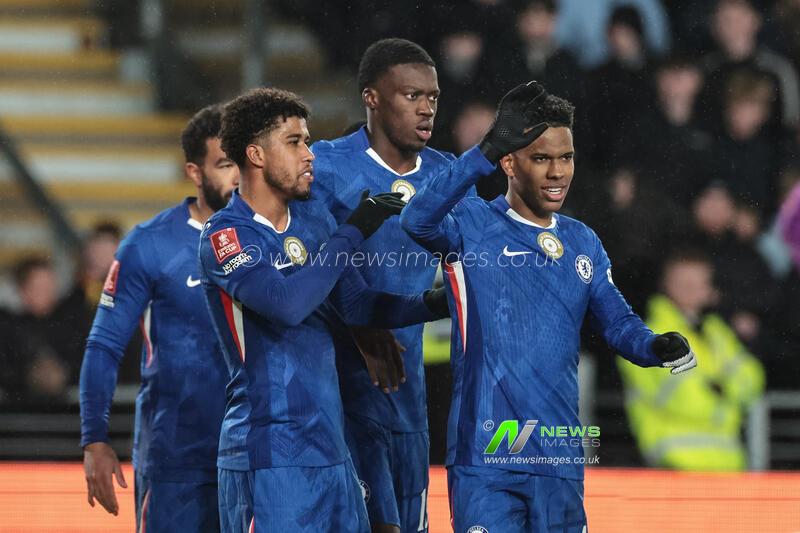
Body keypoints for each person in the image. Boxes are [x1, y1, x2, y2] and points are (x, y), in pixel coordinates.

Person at [400, 82, 697, 531]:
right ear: (509, 162)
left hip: (557, 454)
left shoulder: (583, 242)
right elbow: (416, 218)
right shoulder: (472, 224)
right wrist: (482, 149)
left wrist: (654, 347)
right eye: (541, 158)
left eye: (566, 157)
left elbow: (617, 321)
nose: (558, 172)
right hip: (486, 456)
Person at [202, 87, 449, 533]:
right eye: (295, 142)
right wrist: (352, 231)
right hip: (267, 451)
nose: (309, 154)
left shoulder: (314, 221)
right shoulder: (227, 236)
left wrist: (442, 301)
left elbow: (358, 304)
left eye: (309, 141)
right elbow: (286, 304)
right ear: (256, 155)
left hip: (333, 451)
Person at [310, 38, 457, 533]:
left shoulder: (445, 174)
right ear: (371, 98)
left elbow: (477, 258)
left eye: (432, 98)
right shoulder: (325, 165)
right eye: (411, 95)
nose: (426, 109)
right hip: (340, 397)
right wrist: (357, 324)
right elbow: (294, 254)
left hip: (408, 396)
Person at [80, 104, 239, 532]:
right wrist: (94, 438)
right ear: (194, 171)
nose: (237, 175)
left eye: (241, 160)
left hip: (258, 455)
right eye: (224, 164)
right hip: (178, 456)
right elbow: (104, 345)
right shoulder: (149, 245)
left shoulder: (273, 237)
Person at [617, 250, 765, 471]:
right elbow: (684, 400)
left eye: (699, 283)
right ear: (666, 285)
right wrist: (728, 393)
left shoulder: (716, 331)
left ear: (710, 288)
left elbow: (754, 379)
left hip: (728, 462)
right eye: (684, 283)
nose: (692, 290)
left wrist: (718, 389)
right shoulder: (649, 335)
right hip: (674, 461)